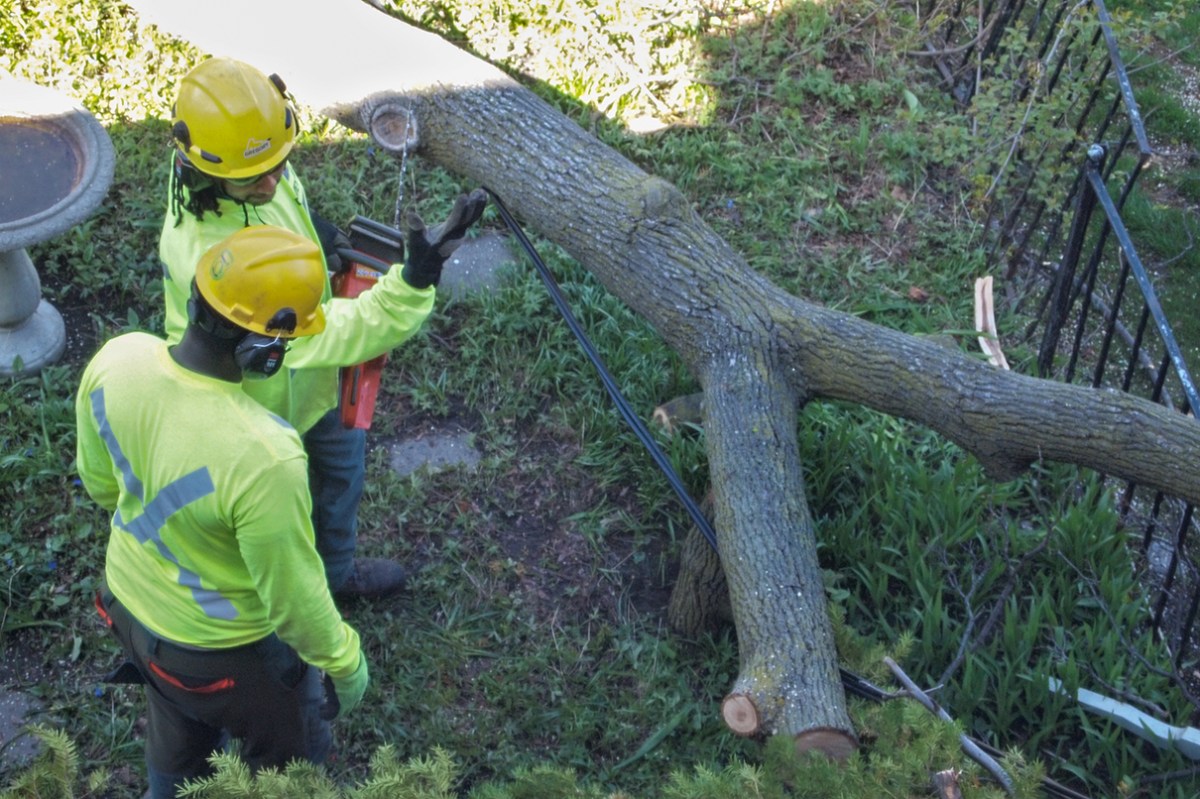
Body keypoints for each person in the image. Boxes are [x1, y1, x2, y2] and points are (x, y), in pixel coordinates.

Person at [160, 55, 486, 598]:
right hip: (251, 416)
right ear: (207, 169)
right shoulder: (211, 254)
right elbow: (325, 332)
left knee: (340, 479)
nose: (274, 181)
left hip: (309, 387)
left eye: (280, 163)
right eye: (254, 179)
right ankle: (292, 614)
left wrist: (312, 233)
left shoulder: (244, 168)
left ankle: (335, 578)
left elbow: (273, 198)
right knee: (273, 527)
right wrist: (413, 282)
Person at [77, 226, 370, 799]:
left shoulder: (119, 358)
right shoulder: (264, 454)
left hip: (129, 609)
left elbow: (100, 486)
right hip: (224, 658)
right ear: (264, 352)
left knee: (177, 735)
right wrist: (346, 661)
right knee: (288, 762)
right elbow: (294, 604)